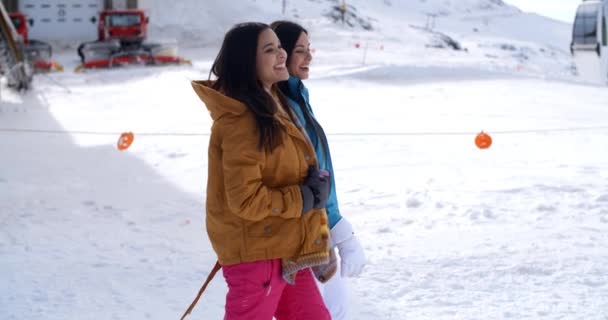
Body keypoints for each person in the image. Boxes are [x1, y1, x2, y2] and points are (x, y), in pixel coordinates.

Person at [188, 22, 336, 320]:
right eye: (270, 49)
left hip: (288, 249)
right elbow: (245, 200)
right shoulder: (240, 121)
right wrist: (302, 197)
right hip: (258, 255)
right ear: (247, 62)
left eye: (280, 46)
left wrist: (309, 184)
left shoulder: (273, 107)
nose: (281, 54)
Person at [271, 20, 367, 320]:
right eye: (300, 50)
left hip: (315, 223)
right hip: (302, 230)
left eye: (308, 49)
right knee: (328, 311)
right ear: (280, 55)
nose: (309, 57)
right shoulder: (281, 105)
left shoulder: (297, 96)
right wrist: (341, 233)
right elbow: (311, 174)